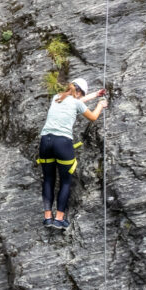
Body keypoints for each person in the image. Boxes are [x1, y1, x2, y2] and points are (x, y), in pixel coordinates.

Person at [38, 77, 108, 231]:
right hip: (62, 143)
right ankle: (59, 219)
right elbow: (93, 116)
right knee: (65, 181)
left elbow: (77, 100)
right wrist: (100, 104)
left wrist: (96, 94)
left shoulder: (56, 98)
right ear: (79, 92)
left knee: (48, 179)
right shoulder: (76, 102)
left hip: (45, 141)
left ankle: (48, 217)